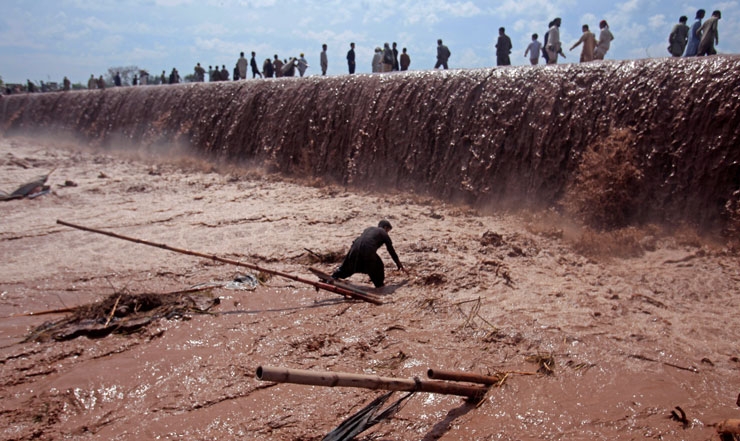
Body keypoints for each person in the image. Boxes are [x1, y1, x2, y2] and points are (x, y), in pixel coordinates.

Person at [331, 220, 404, 288]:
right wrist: (398, 263)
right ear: (385, 227)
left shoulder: (369, 229)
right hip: (368, 250)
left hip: (354, 248)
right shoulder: (383, 233)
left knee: (349, 267)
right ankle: (380, 287)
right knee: (378, 266)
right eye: (388, 231)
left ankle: (333, 277)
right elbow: (391, 250)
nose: (387, 233)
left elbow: (361, 240)